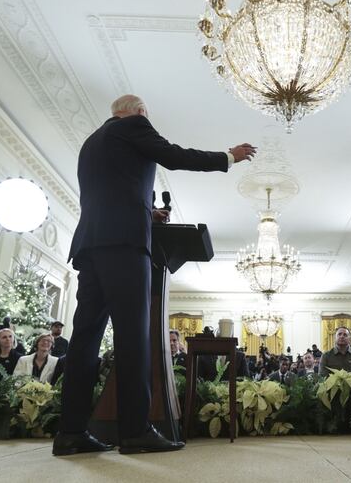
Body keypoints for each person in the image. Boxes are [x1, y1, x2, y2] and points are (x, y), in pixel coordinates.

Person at [55, 94, 256, 456]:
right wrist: (228, 156)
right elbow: (175, 156)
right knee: (133, 337)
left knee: (85, 340)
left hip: (92, 245)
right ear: (138, 113)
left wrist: (146, 213)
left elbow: (112, 191)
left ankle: (70, 433)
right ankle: (135, 431)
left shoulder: (91, 143)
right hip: (125, 246)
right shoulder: (134, 125)